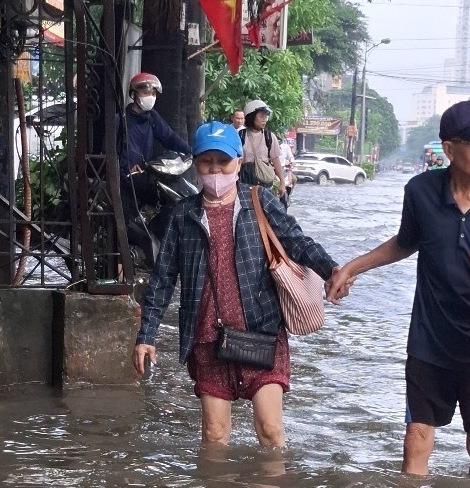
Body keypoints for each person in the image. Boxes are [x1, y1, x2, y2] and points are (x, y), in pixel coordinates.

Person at [327, 100, 470, 480]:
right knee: (416, 438)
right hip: (430, 341)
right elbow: (406, 243)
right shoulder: (421, 192)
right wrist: (353, 268)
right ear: (450, 149)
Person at [133, 121, 339, 448]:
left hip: (261, 332)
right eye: (205, 161)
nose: (214, 169)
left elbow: (298, 243)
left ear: (238, 163)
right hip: (207, 340)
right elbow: (162, 279)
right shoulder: (182, 214)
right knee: (215, 436)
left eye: (222, 161)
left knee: (270, 431)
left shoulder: (260, 202)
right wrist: (147, 336)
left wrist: (332, 270)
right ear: (195, 164)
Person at [119, 72, 190, 264]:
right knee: (122, 222)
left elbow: (170, 137)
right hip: (125, 179)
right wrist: (126, 167)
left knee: (173, 203)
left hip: (146, 175)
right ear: (134, 94)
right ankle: (120, 261)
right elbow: (112, 151)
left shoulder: (152, 118)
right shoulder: (123, 119)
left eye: (153, 92)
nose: (150, 95)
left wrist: (192, 151)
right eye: (145, 91)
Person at [239, 99, 287, 203]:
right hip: (244, 184)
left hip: (265, 186)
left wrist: (282, 183)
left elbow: (276, 161)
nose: (264, 119)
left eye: (266, 116)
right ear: (251, 117)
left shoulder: (269, 137)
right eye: (261, 116)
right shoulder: (240, 136)